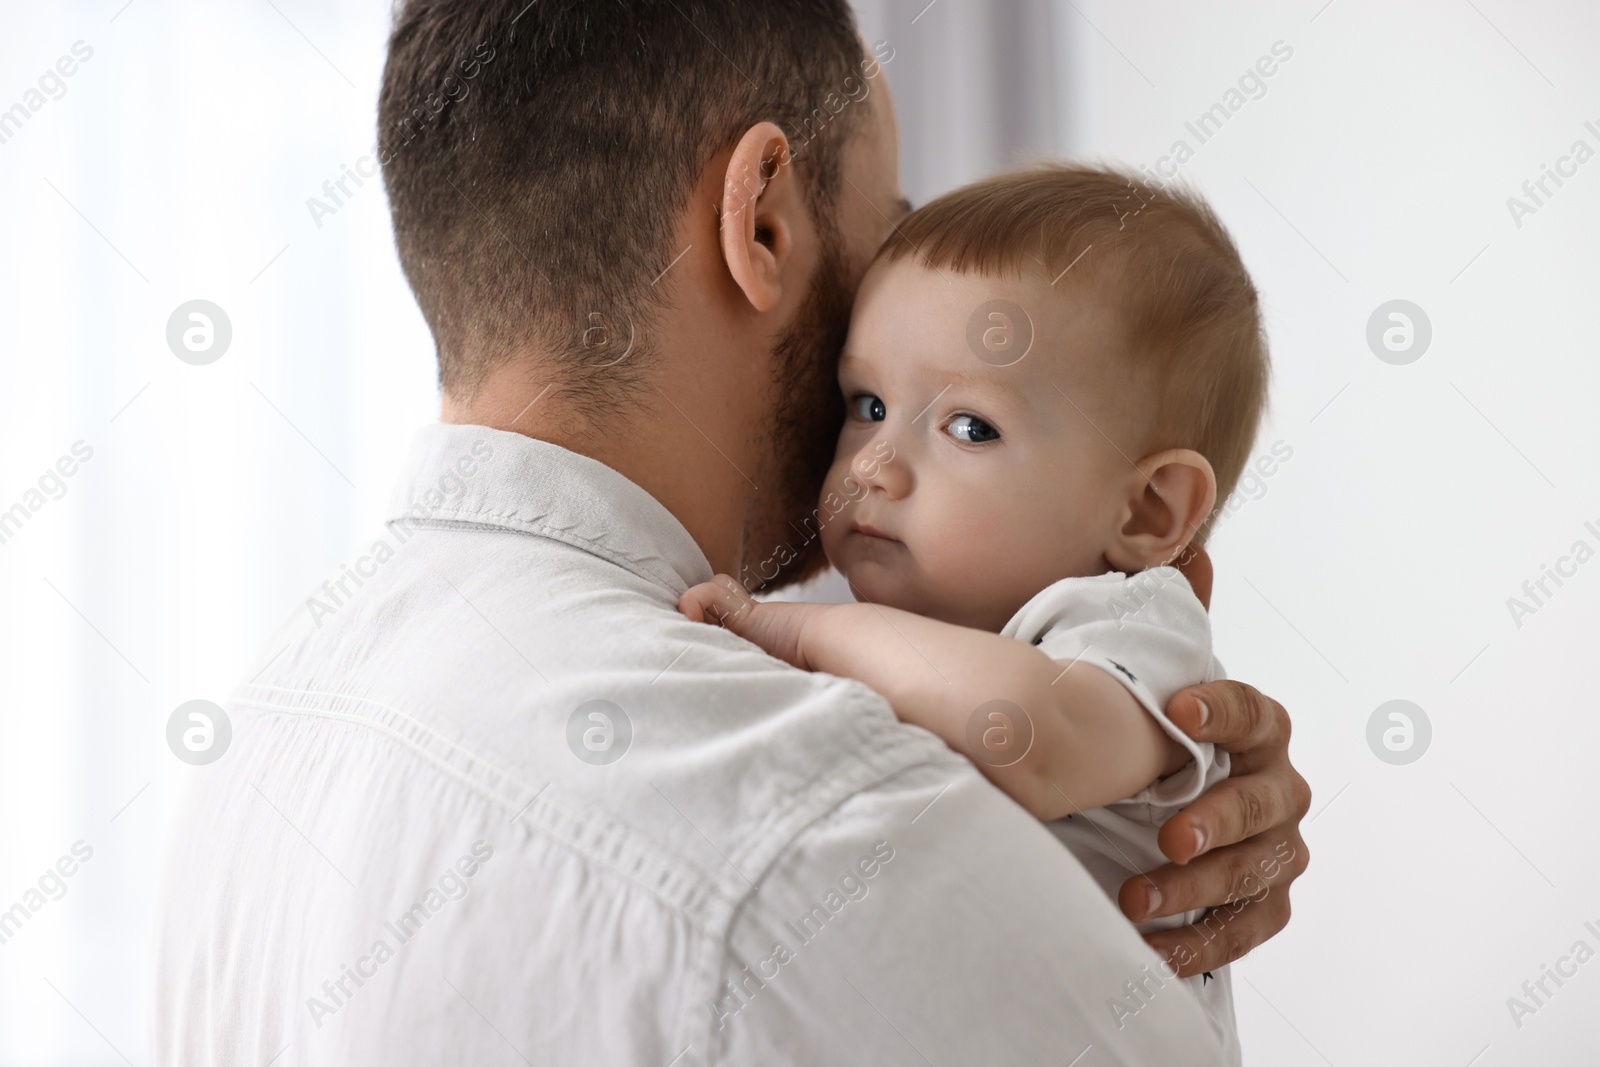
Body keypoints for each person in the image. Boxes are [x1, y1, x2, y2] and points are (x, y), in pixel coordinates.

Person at [152, 3, 1310, 1064]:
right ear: (760, 218)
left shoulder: (258, 743)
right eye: (883, 235)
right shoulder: (828, 832)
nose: (881, 457)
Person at [679, 164, 1279, 1061]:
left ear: (1148, 512)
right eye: (868, 404)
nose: (875, 464)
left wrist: (792, 633)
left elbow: (1031, 726)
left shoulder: (1133, 625)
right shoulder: (927, 636)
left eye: (969, 427)